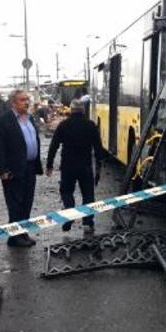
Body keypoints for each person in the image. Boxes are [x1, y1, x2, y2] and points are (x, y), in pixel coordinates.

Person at [46, 98, 105, 233]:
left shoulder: (64, 125)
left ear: (71, 110)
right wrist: (99, 167)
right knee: (88, 194)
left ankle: (70, 213)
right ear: (83, 110)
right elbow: (98, 149)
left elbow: (53, 145)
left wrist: (49, 164)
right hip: (85, 166)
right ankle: (87, 222)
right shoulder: (91, 125)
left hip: (68, 166)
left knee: (66, 192)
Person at [0, 89, 42, 247]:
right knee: (15, 204)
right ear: (13, 102)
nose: (27, 102)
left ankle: (22, 233)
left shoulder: (29, 118)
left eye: (27, 99)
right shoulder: (4, 120)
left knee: (27, 202)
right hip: (13, 170)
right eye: (22, 100)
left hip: (30, 167)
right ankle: (15, 237)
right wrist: (3, 169)